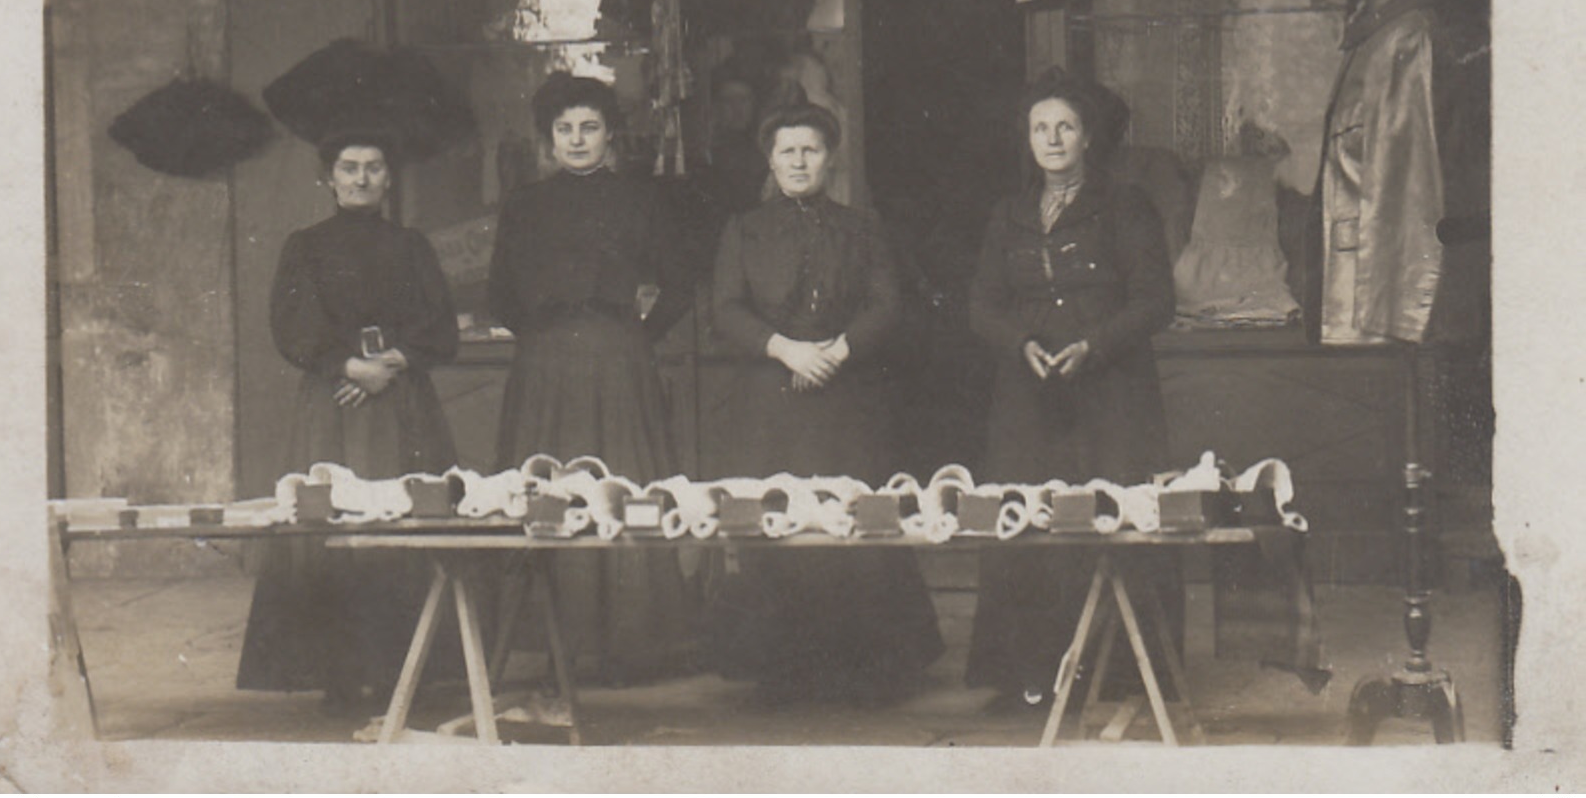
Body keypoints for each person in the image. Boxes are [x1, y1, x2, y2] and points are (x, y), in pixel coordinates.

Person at [706, 102, 944, 705]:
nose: (798, 161)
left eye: (810, 149)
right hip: (772, 399)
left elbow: (887, 303)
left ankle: (863, 667)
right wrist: (786, 350)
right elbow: (726, 309)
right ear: (771, 159)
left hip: (847, 399)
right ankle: (780, 669)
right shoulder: (744, 229)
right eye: (786, 150)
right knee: (780, 522)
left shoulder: (861, 227)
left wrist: (838, 350)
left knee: (852, 524)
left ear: (830, 158)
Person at [964, 69, 1177, 710]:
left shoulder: (1126, 205)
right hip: (1029, 394)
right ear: (1026, 140)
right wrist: (1018, 343)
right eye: (1039, 128)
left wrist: (1095, 345)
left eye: (1065, 127)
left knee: (1114, 519)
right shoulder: (1008, 213)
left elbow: (1157, 301)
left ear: (1088, 137)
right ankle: (1027, 674)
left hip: (1111, 396)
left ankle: (1123, 674)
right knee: (1027, 523)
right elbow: (981, 303)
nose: (1052, 139)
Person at [237, 126, 461, 711]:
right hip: (333, 405)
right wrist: (346, 367)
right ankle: (338, 673)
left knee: (404, 523)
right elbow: (290, 326)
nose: (361, 178)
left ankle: (402, 672)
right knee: (331, 527)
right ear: (328, 178)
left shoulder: (411, 246)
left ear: (389, 177)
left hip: (402, 403)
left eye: (374, 166)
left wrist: (394, 362)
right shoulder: (305, 246)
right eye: (348, 167)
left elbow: (439, 324)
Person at [486, 72, 694, 682]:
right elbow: (499, 291)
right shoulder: (524, 204)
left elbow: (680, 283)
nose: (577, 141)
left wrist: (637, 336)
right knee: (545, 486)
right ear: (549, 139)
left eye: (590, 129)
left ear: (610, 135)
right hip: (545, 361)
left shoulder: (640, 200)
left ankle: (633, 643)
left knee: (622, 482)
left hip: (617, 356)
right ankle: (547, 640)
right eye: (564, 130)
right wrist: (540, 334)